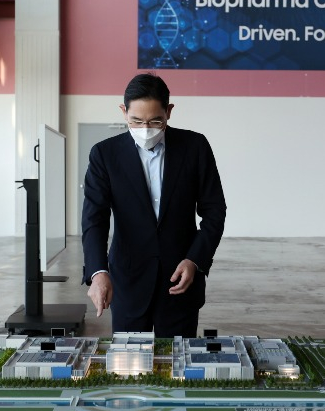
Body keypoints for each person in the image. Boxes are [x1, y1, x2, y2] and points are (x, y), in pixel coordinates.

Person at [81, 73, 226, 338]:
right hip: (128, 280)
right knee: (127, 366)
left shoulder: (195, 147)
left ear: (169, 112)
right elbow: (95, 218)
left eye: (155, 121)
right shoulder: (104, 154)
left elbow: (214, 211)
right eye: (136, 120)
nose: (145, 128)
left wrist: (195, 260)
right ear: (123, 111)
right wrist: (98, 272)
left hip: (181, 279)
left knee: (178, 366)